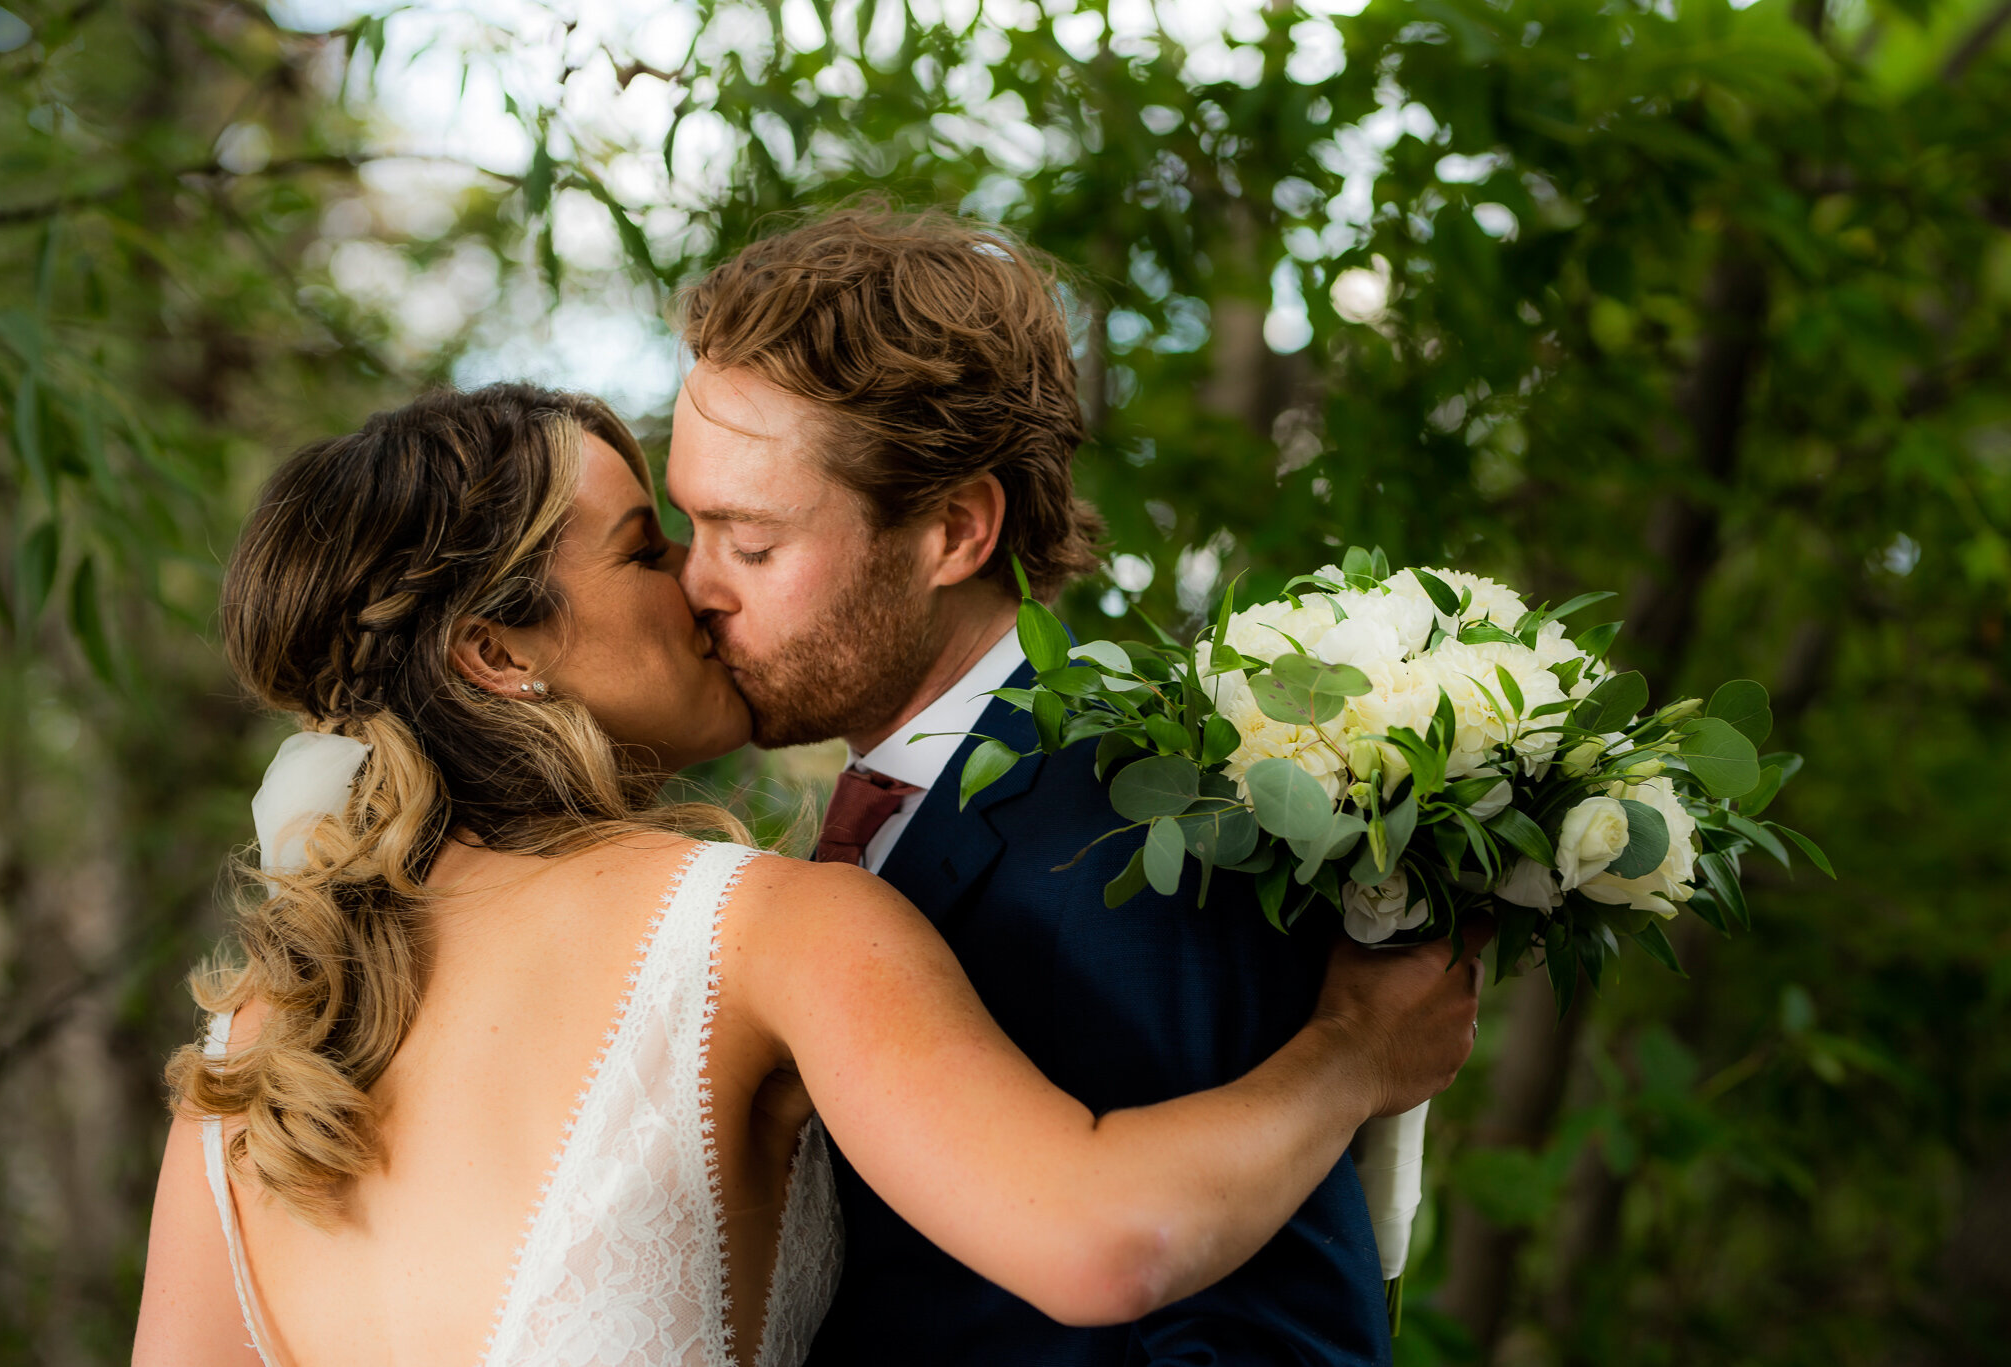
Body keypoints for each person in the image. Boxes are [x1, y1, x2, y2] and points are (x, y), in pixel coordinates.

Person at [132, 383, 1482, 1367]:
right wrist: (1353, 1054)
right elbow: (1107, 1239)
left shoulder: (260, 1031)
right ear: (498, 655)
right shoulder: (761, 927)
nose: (702, 587)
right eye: (649, 549)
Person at [667, 207, 1407, 1365]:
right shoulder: (876, 807)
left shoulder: (1135, 818)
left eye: (751, 544)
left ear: (954, 529)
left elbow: (1271, 1340)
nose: (695, 585)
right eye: (688, 526)